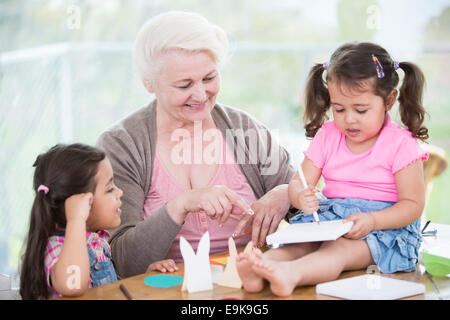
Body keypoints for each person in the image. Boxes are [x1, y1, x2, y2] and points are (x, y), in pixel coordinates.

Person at [97, 11, 295, 278]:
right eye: (184, 85)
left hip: (250, 285)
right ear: (149, 84)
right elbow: (122, 261)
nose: (201, 95)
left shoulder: (246, 130)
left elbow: (320, 208)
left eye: (209, 78)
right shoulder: (123, 145)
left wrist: (285, 192)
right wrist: (181, 204)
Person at [237, 42, 429, 297]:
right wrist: (299, 195)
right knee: (300, 245)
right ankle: (263, 268)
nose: (349, 119)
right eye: (339, 109)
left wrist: (373, 221)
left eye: (360, 110)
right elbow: (299, 182)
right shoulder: (327, 136)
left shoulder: (400, 144)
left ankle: (291, 275)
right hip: (332, 220)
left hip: (383, 228)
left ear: (389, 100)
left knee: (337, 251)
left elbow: (413, 205)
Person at [19, 143, 176, 299]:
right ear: (81, 204)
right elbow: (73, 287)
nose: (120, 192)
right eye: (109, 189)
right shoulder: (56, 249)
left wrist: (142, 280)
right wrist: (76, 220)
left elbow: (108, 292)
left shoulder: (97, 241)